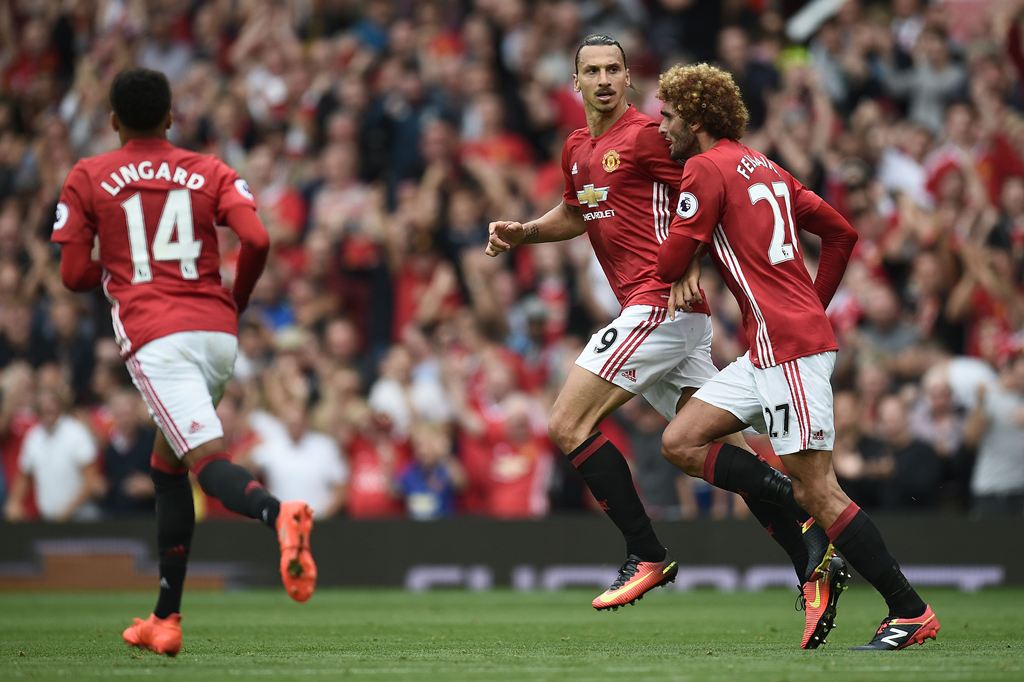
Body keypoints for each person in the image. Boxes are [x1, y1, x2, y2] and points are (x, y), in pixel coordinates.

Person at [486, 35, 831, 615]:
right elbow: (576, 211)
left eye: (613, 69)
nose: (603, 79)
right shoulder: (576, 146)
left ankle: (645, 552)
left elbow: (706, 195)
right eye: (591, 70)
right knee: (720, 450)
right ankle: (812, 561)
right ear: (575, 83)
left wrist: (689, 262)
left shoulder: (647, 136)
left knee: (568, 423)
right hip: (668, 320)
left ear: (628, 79)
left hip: (657, 306)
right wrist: (527, 231)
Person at [655, 62, 939, 651]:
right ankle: (789, 499)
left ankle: (909, 610)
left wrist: (689, 259)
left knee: (823, 491)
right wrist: (814, 301)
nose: (663, 126)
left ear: (698, 118)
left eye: (670, 115)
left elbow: (663, 266)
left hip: (790, 350)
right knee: (681, 441)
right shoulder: (768, 166)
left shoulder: (704, 170)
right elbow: (841, 234)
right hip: (769, 348)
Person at [50, 68, 316, 657]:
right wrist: (236, 299)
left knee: (204, 462)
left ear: (113, 120)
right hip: (217, 335)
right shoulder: (209, 169)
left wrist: (119, 268)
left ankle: (279, 513)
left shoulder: (89, 174)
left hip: (156, 336)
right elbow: (259, 239)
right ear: (171, 116)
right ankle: (164, 620)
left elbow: (72, 276)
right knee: (168, 467)